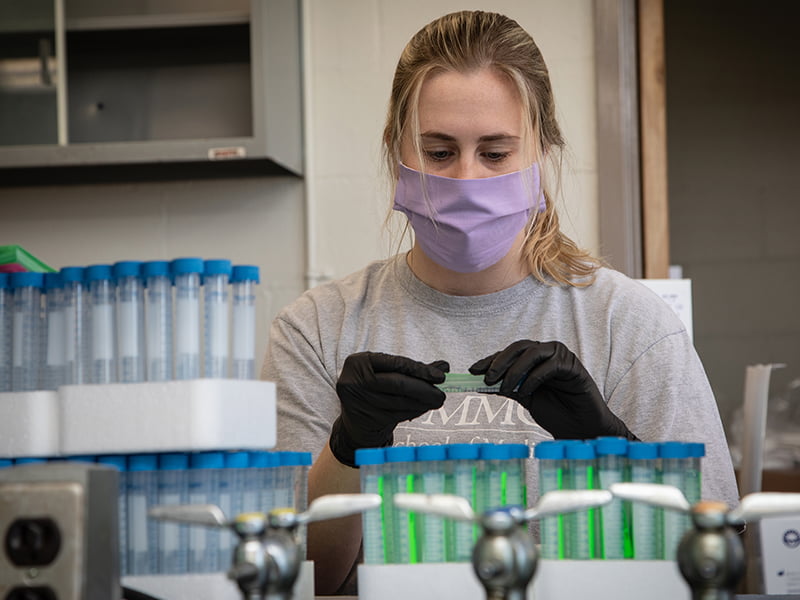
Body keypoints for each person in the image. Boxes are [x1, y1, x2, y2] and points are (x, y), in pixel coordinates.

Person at [262, 9, 739, 594]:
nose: (467, 178)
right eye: (438, 153)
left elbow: (718, 564)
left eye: (495, 153)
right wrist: (347, 449)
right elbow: (290, 580)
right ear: (395, 153)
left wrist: (610, 449)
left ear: (542, 154)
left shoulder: (629, 327)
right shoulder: (317, 329)